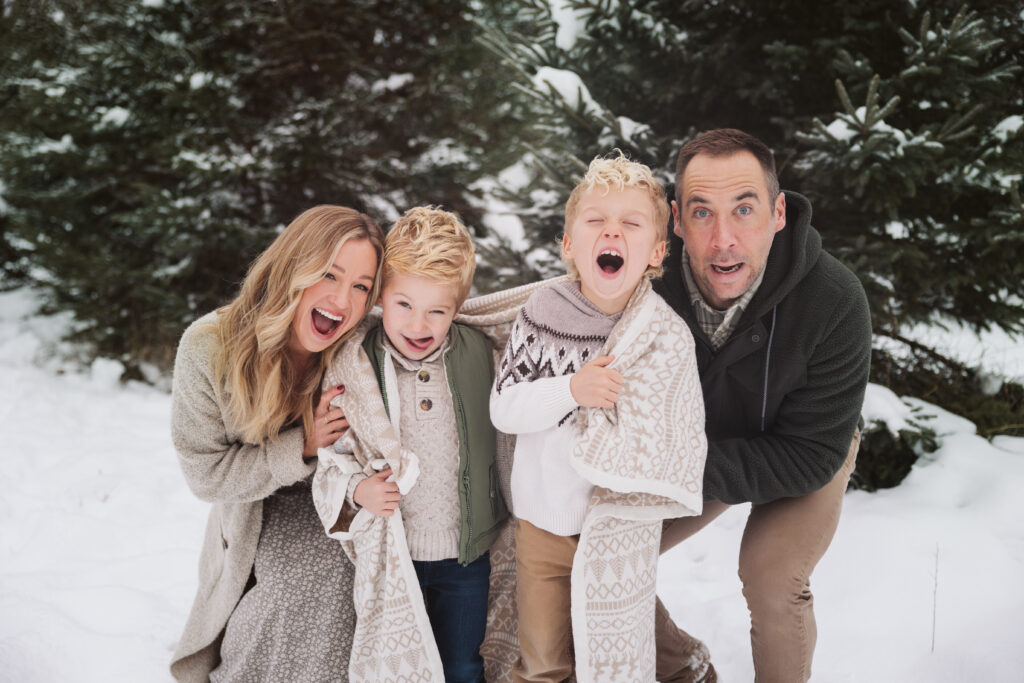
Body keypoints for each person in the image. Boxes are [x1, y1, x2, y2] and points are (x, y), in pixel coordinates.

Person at [652, 128, 872, 683]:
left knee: (771, 574)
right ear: (677, 221)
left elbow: (810, 455)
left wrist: (687, 467)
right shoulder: (647, 282)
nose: (723, 238)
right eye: (702, 213)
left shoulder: (835, 300)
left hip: (802, 445)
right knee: (595, 547)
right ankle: (683, 669)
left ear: (778, 212)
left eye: (744, 209)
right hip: (696, 443)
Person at [490, 154, 707, 682]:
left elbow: (675, 434)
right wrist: (572, 389)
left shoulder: (660, 333)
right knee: (543, 660)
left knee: (616, 649)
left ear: (656, 252)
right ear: (569, 245)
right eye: (595, 221)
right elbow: (505, 408)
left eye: (630, 224)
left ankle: (687, 670)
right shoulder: (542, 313)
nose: (612, 231)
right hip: (542, 526)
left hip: (617, 528)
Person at [168, 205, 385, 682]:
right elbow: (207, 476)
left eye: (361, 286)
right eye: (330, 274)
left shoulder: (363, 342)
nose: (343, 299)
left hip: (344, 493)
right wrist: (303, 446)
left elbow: (438, 316)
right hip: (257, 505)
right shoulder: (211, 348)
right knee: (293, 590)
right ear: (294, 265)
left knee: (351, 577)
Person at [316, 206, 507, 682]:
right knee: (401, 668)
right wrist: (359, 491)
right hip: (394, 558)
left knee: (464, 665)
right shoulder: (356, 365)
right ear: (382, 297)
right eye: (404, 305)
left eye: (436, 311)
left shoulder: (479, 352)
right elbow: (333, 455)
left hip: (466, 556)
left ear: (458, 308)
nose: (418, 325)